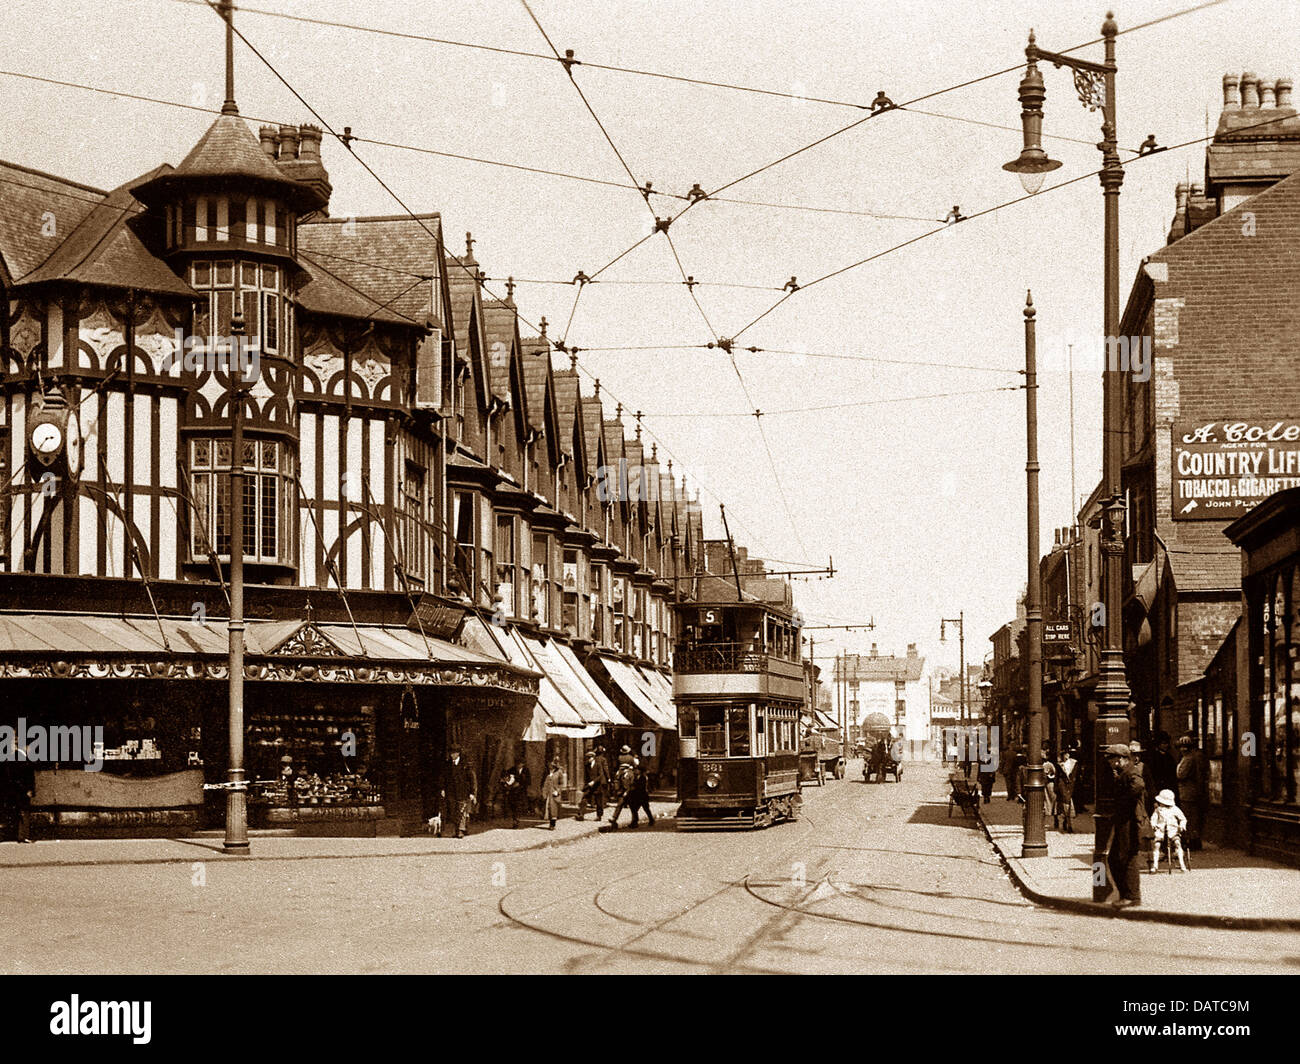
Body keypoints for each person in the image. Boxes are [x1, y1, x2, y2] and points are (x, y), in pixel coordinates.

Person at [1103, 743, 1145, 907]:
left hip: (1130, 821)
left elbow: (1139, 786)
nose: (1110, 762)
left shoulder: (1130, 772)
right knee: (1119, 858)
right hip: (1126, 820)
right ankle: (1128, 895)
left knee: (1125, 858)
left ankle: (1131, 896)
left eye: (1111, 759)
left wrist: (1125, 803)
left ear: (1121, 759)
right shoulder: (1124, 772)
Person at [1175, 735, 1206, 851]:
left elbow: (1180, 774)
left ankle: (1190, 841)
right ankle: (1193, 840)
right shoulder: (1191, 757)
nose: (1183, 749)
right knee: (1192, 818)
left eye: (1185, 747)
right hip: (1191, 792)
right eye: (1181, 747)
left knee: (1188, 817)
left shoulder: (1188, 759)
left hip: (1187, 792)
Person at [440, 743, 477, 839]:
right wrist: (443, 789)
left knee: (461, 811)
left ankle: (460, 830)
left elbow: (472, 779)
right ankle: (461, 828)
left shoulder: (465, 765)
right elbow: (443, 778)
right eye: (451, 753)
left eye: (454, 753)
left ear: (458, 753)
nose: (452, 755)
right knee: (453, 812)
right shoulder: (447, 764)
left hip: (463, 792)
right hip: (451, 792)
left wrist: (472, 792)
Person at [1149, 788, 1189, 873]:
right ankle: (1155, 865)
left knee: (1177, 843)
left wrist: (1182, 825)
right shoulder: (1158, 810)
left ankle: (1182, 864)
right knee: (1156, 845)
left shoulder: (1175, 809)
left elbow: (1183, 819)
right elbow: (1153, 819)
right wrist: (1154, 824)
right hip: (1161, 831)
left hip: (1173, 831)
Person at [611, 762, 655, 829]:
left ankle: (650, 820)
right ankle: (635, 823)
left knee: (645, 809)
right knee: (634, 809)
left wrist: (633, 787)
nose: (635, 771)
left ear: (640, 771)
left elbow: (640, 787)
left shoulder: (643, 777)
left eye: (637, 770)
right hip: (637, 796)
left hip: (642, 796)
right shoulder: (636, 776)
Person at [576, 746, 610, 822]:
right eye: (587, 758)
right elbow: (586, 776)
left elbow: (600, 775)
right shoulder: (587, 765)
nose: (588, 760)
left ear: (593, 758)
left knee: (599, 801)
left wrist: (594, 782)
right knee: (584, 799)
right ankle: (581, 814)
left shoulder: (598, 765)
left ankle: (599, 816)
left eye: (589, 758)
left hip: (597, 785)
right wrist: (586, 784)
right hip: (590, 786)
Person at [500, 760, 528, 829]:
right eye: (517, 764)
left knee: (518, 806)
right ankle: (515, 820)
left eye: (520, 764)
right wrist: (506, 784)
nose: (518, 765)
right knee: (513, 806)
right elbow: (505, 777)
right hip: (512, 792)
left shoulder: (526, 771)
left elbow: (528, 781)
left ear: (523, 764)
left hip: (521, 792)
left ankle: (516, 821)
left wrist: (520, 784)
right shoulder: (511, 770)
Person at [1056, 746, 1078, 833]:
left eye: (1067, 754)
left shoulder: (1074, 763)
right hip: (1063, 786)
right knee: (1066, 803)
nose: (1066, 756)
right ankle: (1068, 823)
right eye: (1064, 754)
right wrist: (1057, 787)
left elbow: (1077, 775)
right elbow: (1057, 777)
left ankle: (1067, 819)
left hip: (1072, 786)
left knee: (1070, 804)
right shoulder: (1060, 765)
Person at [542, 758, 566, 829]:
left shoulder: (559, 772)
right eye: (550, 765)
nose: (551, 766)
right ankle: (550, 822)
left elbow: (561, 783)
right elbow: (544, 782)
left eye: (552, 765)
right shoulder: (547, 773)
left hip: (554, 793)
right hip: (547, 792)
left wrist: (558, 791)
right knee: (548, 808)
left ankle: (552, 825)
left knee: (554, 808)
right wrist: (543, 792)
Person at [1040, 745, 1058, 827]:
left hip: (1049, 785)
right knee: (1045, 803)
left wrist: (1049, 776)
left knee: (1053, 801)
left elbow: (1054, 774)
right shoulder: (1041, 765)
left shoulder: (1049, 765)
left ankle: (1055, 817)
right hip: (1044, 785)